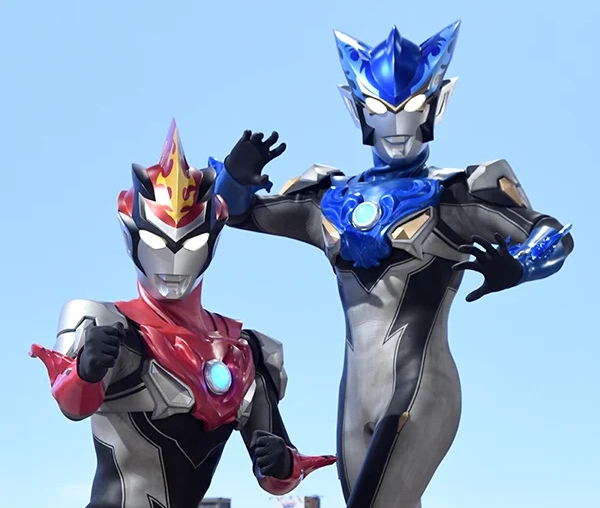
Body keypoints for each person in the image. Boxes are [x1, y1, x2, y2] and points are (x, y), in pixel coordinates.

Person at [208, 22, 574, 508]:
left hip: (422, 385)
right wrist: (235, 177)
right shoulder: (327, 200)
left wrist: (521, 264)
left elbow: (551, 235)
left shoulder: (454, 195)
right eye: (382, 111)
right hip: (355, 396)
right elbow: (237, 214)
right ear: (360, 110)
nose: (397, 125)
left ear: (435, 106)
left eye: (411, 108)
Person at [30, 120, 335, 508]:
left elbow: (277, 477)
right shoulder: (106, 325)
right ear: (133, 235)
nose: (173, 259)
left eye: (190, 244)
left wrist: (283, 462)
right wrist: (86, 370)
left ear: (211, 241)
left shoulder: (244, 351)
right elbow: (73, 405)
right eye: (157, 242)